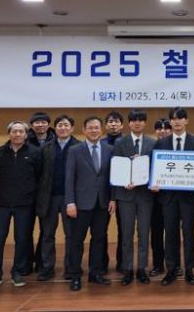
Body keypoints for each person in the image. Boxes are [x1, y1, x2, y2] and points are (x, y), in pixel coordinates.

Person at [0, 121, 43, 291]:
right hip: (3, 202)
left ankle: (17, 271)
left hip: (25, 203)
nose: (17, 134)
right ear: (9, 133)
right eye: (14, 131)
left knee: (22, 238)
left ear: (26, 134)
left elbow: (38, 176)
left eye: (21, 131)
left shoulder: (35, 152)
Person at [152, 107, 194, 286]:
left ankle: (189, 270)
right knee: (170, 234)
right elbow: (156, 168)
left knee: (188, 233)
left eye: (180, 118)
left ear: (186, 121)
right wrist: (155, 182)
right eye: (173, 119)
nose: (177, 121)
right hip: (168, 197)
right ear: (170, 122)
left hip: (188, 197)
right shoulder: (161, 143)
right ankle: (171, 269)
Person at [65, 116, 115, 291]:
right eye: (90, 128)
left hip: (102, 203)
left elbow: (113, 177)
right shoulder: (75, 150)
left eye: (96, 128)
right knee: (77, 240)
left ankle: (96, 273)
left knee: (99, 239)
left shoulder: (110, 149)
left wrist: (113, 198)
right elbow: (69, 178)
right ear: (84, 130)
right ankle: (75, 275)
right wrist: (70, 202)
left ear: (101, 130)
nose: (94, 131)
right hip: (80, 204)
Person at [112, 109, 157, 286]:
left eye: (140, 120)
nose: (137, 123)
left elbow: (156, 168)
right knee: (126, 234)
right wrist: (123, 181)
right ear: (129, 123)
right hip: (125, 194)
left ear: (145, 123)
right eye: (133, 120)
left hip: (145, 195)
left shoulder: (152, 143)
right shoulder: (119, 142)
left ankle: (142, 269)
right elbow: (115, 167)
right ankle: (128, 269)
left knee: (144, 233)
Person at [35, 115, 80, 281]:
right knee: (47, 234)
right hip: (50, 197)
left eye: (66, 125)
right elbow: (39, 173)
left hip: (71, 198)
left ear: (72, 128)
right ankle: (47, 268)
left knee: (71, 235)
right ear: (55, 128)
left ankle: (71, 267)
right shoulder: (45, 147)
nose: (63, 128)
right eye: (60, 125)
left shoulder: (79, 147)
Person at [25, 111, 54, 275]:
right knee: (26, 230)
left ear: (48, 124)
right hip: (28, 192)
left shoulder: (55, 140)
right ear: (32, 125)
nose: (40, 125)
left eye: (44, 122)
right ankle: (26, 263)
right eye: (37, 122)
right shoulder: (25, 140)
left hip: (47, 193)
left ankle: (42, 262)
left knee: (46, 230)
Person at [148, 118, 171, 278]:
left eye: (166, 128)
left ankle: (174, 264)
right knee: (156, 233)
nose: (162, 131)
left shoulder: (177, 147)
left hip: (173, 198)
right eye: (159, 128)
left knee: (172, 233)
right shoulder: (150, 147)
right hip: (154, 198)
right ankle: (158, 264)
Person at [104, 110, 125, 274]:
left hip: (123, 192)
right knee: (100, 230)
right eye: (110, 121)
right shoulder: (100, 143)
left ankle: (123, 262)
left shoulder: (127, 142)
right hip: (103, 193)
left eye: (116, 121)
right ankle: (101, 263)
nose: (113, 124)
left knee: (123, 229)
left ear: (122, 125)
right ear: (106, 125)